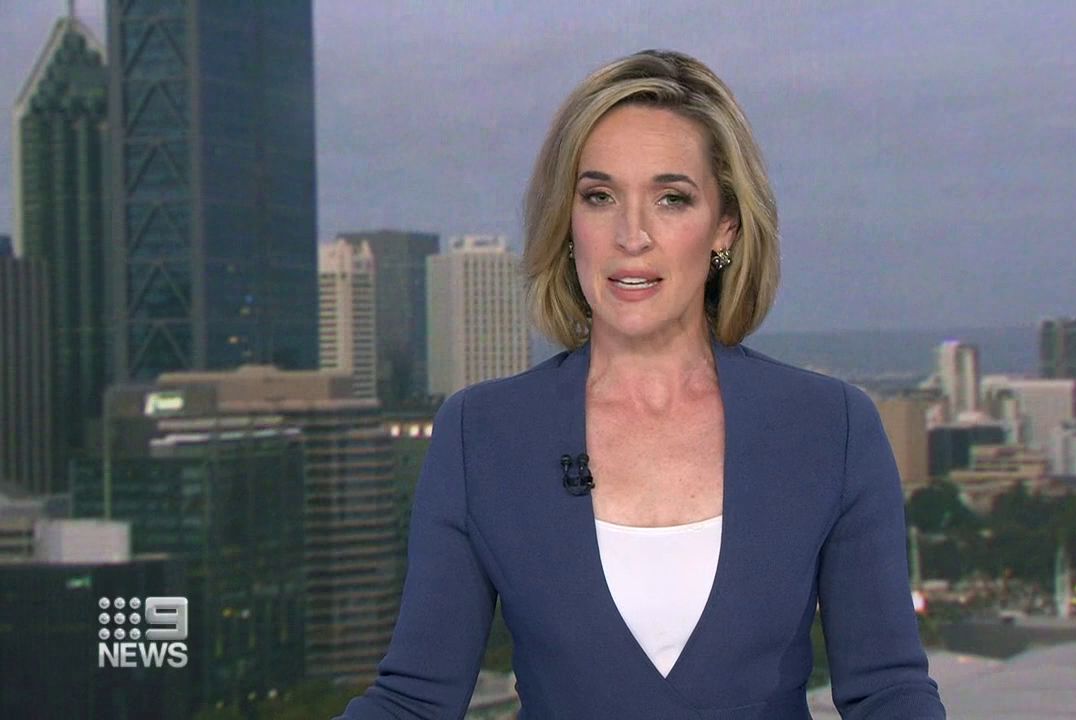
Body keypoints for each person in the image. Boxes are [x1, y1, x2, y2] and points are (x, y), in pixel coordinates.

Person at [338, 49, 944, 719]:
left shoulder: (831, 427)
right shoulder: (480, 434)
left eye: (670, 199)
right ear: (569, 225)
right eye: (599, 197)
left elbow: (888, 690)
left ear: (724, 227)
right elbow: (414, 701)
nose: (632, 236)